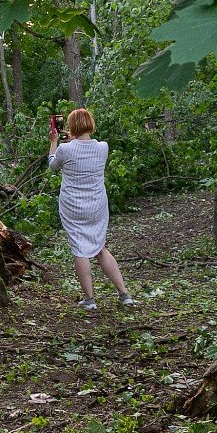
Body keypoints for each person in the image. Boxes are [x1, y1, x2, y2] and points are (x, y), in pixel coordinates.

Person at [47, 108, 133, 311]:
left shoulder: (65, 149)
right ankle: (124, 294)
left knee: (80, 249)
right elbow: (83, 149)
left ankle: (90, 299)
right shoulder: (103, 147)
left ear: (72, 127)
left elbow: (53, 165)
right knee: (100, 248)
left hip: (73, 205)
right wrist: (72, 140)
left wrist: (53, 142)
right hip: (97, 204)